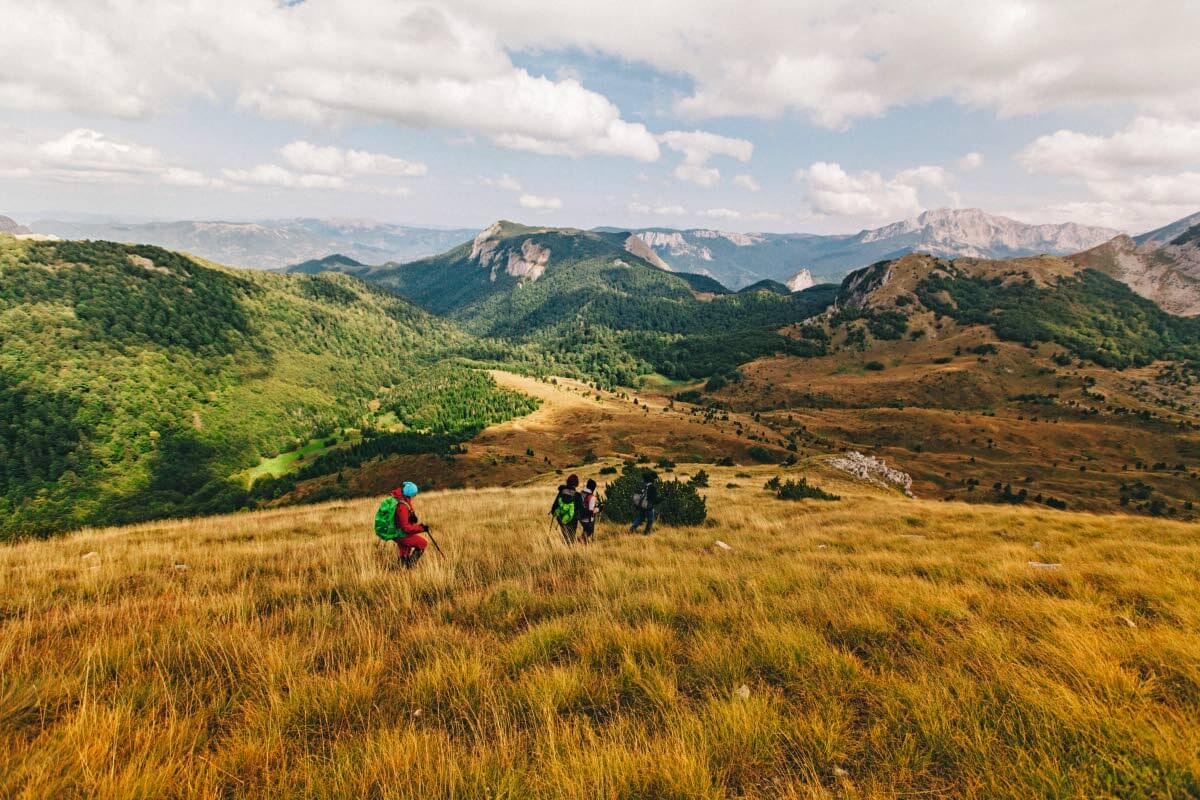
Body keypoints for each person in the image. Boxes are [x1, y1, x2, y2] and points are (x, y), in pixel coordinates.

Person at [392, 481, 429, 568]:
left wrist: (412, 517)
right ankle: (410, 566)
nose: (414, 496)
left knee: (404, 552)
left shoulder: (402, 500)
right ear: (410, 494)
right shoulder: (402, 506)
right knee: (422, 543)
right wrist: (421, 528)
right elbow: (406, 528)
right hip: (401, 534)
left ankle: (403, 570)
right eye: (414, 494)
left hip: (397, 532)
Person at [550, 473, 584, 544]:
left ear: (568, 481)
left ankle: (566, 547)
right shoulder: (577, 495)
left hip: (561, 517)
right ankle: (570, 549)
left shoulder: (561, 492)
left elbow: (555, 505)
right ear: (576, 483)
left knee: (565, 534)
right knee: (572, 535)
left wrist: (555, 513)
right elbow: (581, 509)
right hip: (573, 519)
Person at [629, 471, 658, 535]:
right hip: (649, 506)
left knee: (640, 518)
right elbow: (653, 499)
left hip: (641, 505)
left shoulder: (644, 486)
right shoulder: (652, 487)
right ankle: (647, 532)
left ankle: (632, 529)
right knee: (650, 520)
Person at [579, 478, 600, 544]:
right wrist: (597, 509)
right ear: (593, 488)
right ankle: (581, 539)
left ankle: (584, 544)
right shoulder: (591, 497)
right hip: (587, 518)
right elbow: (591, 510)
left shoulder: (581, 493)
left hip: (579, 516)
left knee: (586, 530)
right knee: (590, 530)